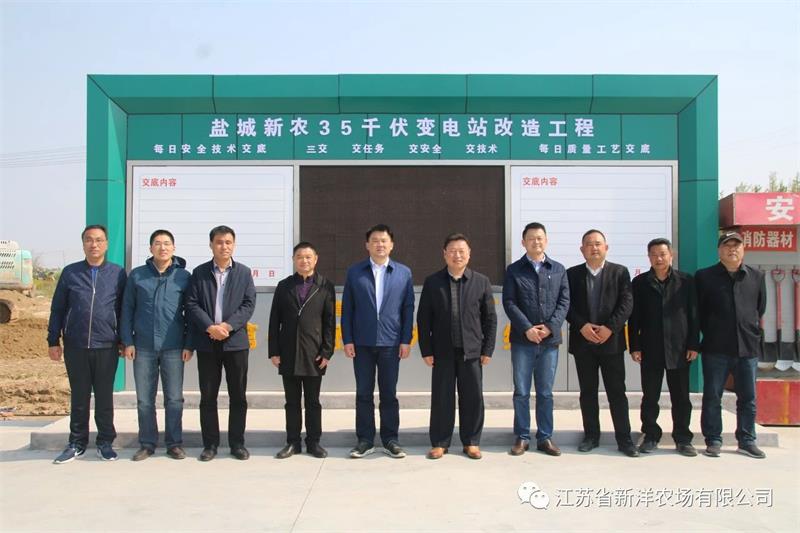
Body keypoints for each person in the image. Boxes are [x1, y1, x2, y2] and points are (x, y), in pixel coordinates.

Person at [47, 224, 127, 464]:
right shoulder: (70, 273)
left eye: (99, 240)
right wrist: (53, 340)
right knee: (79, 396)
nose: (94, 244)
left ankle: (105, 442)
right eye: (89, 240)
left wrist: (123, 340)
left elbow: (123, 310)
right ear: (83, 244)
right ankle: (76, 443)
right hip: (76, 344)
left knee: (104, 397)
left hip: (106, 345)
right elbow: (58, 308)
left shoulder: (117, 273)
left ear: (106, 244)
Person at [417, 233, 497, 460]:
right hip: (442, 352)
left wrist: (487, 349)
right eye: (452, 251)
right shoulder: (433, 282)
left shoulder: (481, 281)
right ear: (444, 254)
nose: (457, 255)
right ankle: (440, 442)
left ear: (469, 254)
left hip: (472, 352)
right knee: (442, 398)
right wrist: (426, 350)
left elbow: (490, 319)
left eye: (462, 251)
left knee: (473, 398)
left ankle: (471, 442)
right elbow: (423, 319)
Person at [341, 224, 414, 459]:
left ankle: (390, 439)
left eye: (384, 240)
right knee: (363, 393)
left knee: (389, 393)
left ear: (391, 245)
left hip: (391, 343)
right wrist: (347, 339)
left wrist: (405, 340)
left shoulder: (403, 273)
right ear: (367, 245)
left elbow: (408, 308)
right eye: (375, 240)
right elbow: (348, 308)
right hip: (362, 343)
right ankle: (365, 440)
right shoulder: (355, 272)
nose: (379, 244)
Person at [120, 229, 193, 461]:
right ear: (150, 248)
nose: (163, 247)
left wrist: (188, 344)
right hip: (143, 346)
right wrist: (127, 341)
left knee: (174, 398)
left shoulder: (183, 277)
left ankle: (174, 443)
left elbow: (191, 313)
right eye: (158, 243)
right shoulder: (138, 276)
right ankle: (147, 443)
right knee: (144, 400)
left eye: (167, 243)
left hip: (174, 346)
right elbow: (127, 310)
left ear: (174, 248)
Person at [185, 225, 256, 462]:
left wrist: (227, 326)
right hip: (207, 343)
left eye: (228, 242)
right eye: (219, 242)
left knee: (238, 396)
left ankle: (237, 443)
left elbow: (248, 304)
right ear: (211, 245)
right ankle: (210, 444)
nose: (223, 246)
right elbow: (192, 304)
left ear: (233, 245)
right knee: (208, 396)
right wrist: (210, 327)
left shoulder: (244, 272)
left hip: (235, 343)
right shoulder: (199, 272)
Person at [566, 229, 638, 457]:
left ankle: (624, 439)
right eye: (589, 244)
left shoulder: (620, 272)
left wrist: (610, 328)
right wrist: (582, 325)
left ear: (606, 247)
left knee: (617, 392)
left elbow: (626, 303)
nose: (594, 248)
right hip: (583, 342)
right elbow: (566, 305)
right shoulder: (572, 274)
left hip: (611, 343)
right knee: (587, 392)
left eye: (598, 243)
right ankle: (591, 436)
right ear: (582, 249)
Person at [696, 231, 767, 459]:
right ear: (719, 250)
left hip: (747, 348)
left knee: (748, 398)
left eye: (737, 245)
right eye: (727, 246)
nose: (732, 249)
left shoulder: (756, 276)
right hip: (715, 348)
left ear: (743, 249)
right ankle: (713, 440)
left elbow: (760, 308)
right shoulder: (705, 277)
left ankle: (747, 440)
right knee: (712, 396)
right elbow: (698, 311)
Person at [502, 222, 569, 457]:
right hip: (523, 341)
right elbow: (509, 302)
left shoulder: (558, 269)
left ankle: (545, 437)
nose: (536, 242)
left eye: (540, 238)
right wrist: (527, 328)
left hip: (549, 342)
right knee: (521, 391)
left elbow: (564, 301)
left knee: (545, 392)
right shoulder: (514, 270)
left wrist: (550, 327)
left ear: (546, 241)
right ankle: (522, 437)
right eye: (531, 238)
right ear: (523, 242)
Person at [628, 238, 700, 457]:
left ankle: (683, 438)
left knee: (681, 397)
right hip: (650, 348)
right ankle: (651, 435)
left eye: (662, 254)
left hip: (679, 348)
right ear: (648, 257)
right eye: (654, 255)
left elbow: (694, 315)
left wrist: (693, 344)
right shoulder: (640, 283)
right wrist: (635, 346)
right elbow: (634, 318)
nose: (658, 259)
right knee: (650, 397)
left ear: (671, 255)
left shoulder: (686, 281)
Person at [268, 242, 336, 459]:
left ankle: (314, 442)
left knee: (313, 402)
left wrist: (327, 352)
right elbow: (274, 321)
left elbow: (329, 322)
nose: (304, 261)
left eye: (308, 257)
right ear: (293, 260)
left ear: (315, 259)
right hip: (288, 352)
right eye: (299, 257)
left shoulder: (325, 286)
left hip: (314, 353)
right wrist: (274, 351)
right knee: (291, 402)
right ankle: (293, 442)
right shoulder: (284, 286)